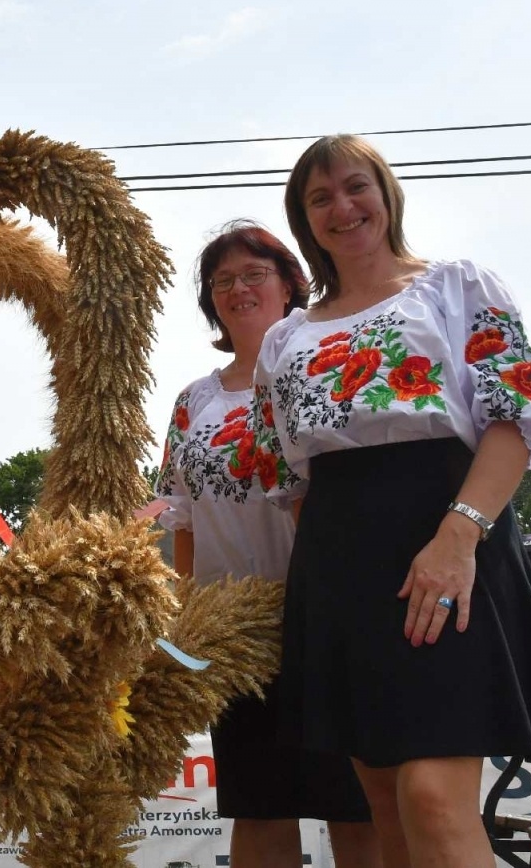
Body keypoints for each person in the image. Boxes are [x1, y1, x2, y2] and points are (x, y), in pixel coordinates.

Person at [250, 135, 531, 868]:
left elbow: (512, 421)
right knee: (384, 809)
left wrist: (458, 539)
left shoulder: (459, 287)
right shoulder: (284, 338)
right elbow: (292, 479)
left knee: (432, 797)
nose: (343, 207)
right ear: (305, 220)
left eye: (355, 186)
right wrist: (324, 588)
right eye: (320, 197)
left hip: (450, 537)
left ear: (387, 193)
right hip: (339, 565)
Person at [144, 222, 380, 868]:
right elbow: (181, 520)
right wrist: (190, 623)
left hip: (320, 625)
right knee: (261, 809)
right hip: (237, 640)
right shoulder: (193, 401)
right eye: (223, 281)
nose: (238, 290)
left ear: (289, 285)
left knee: (356, 809)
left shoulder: (319, 370)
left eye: (254, 275)